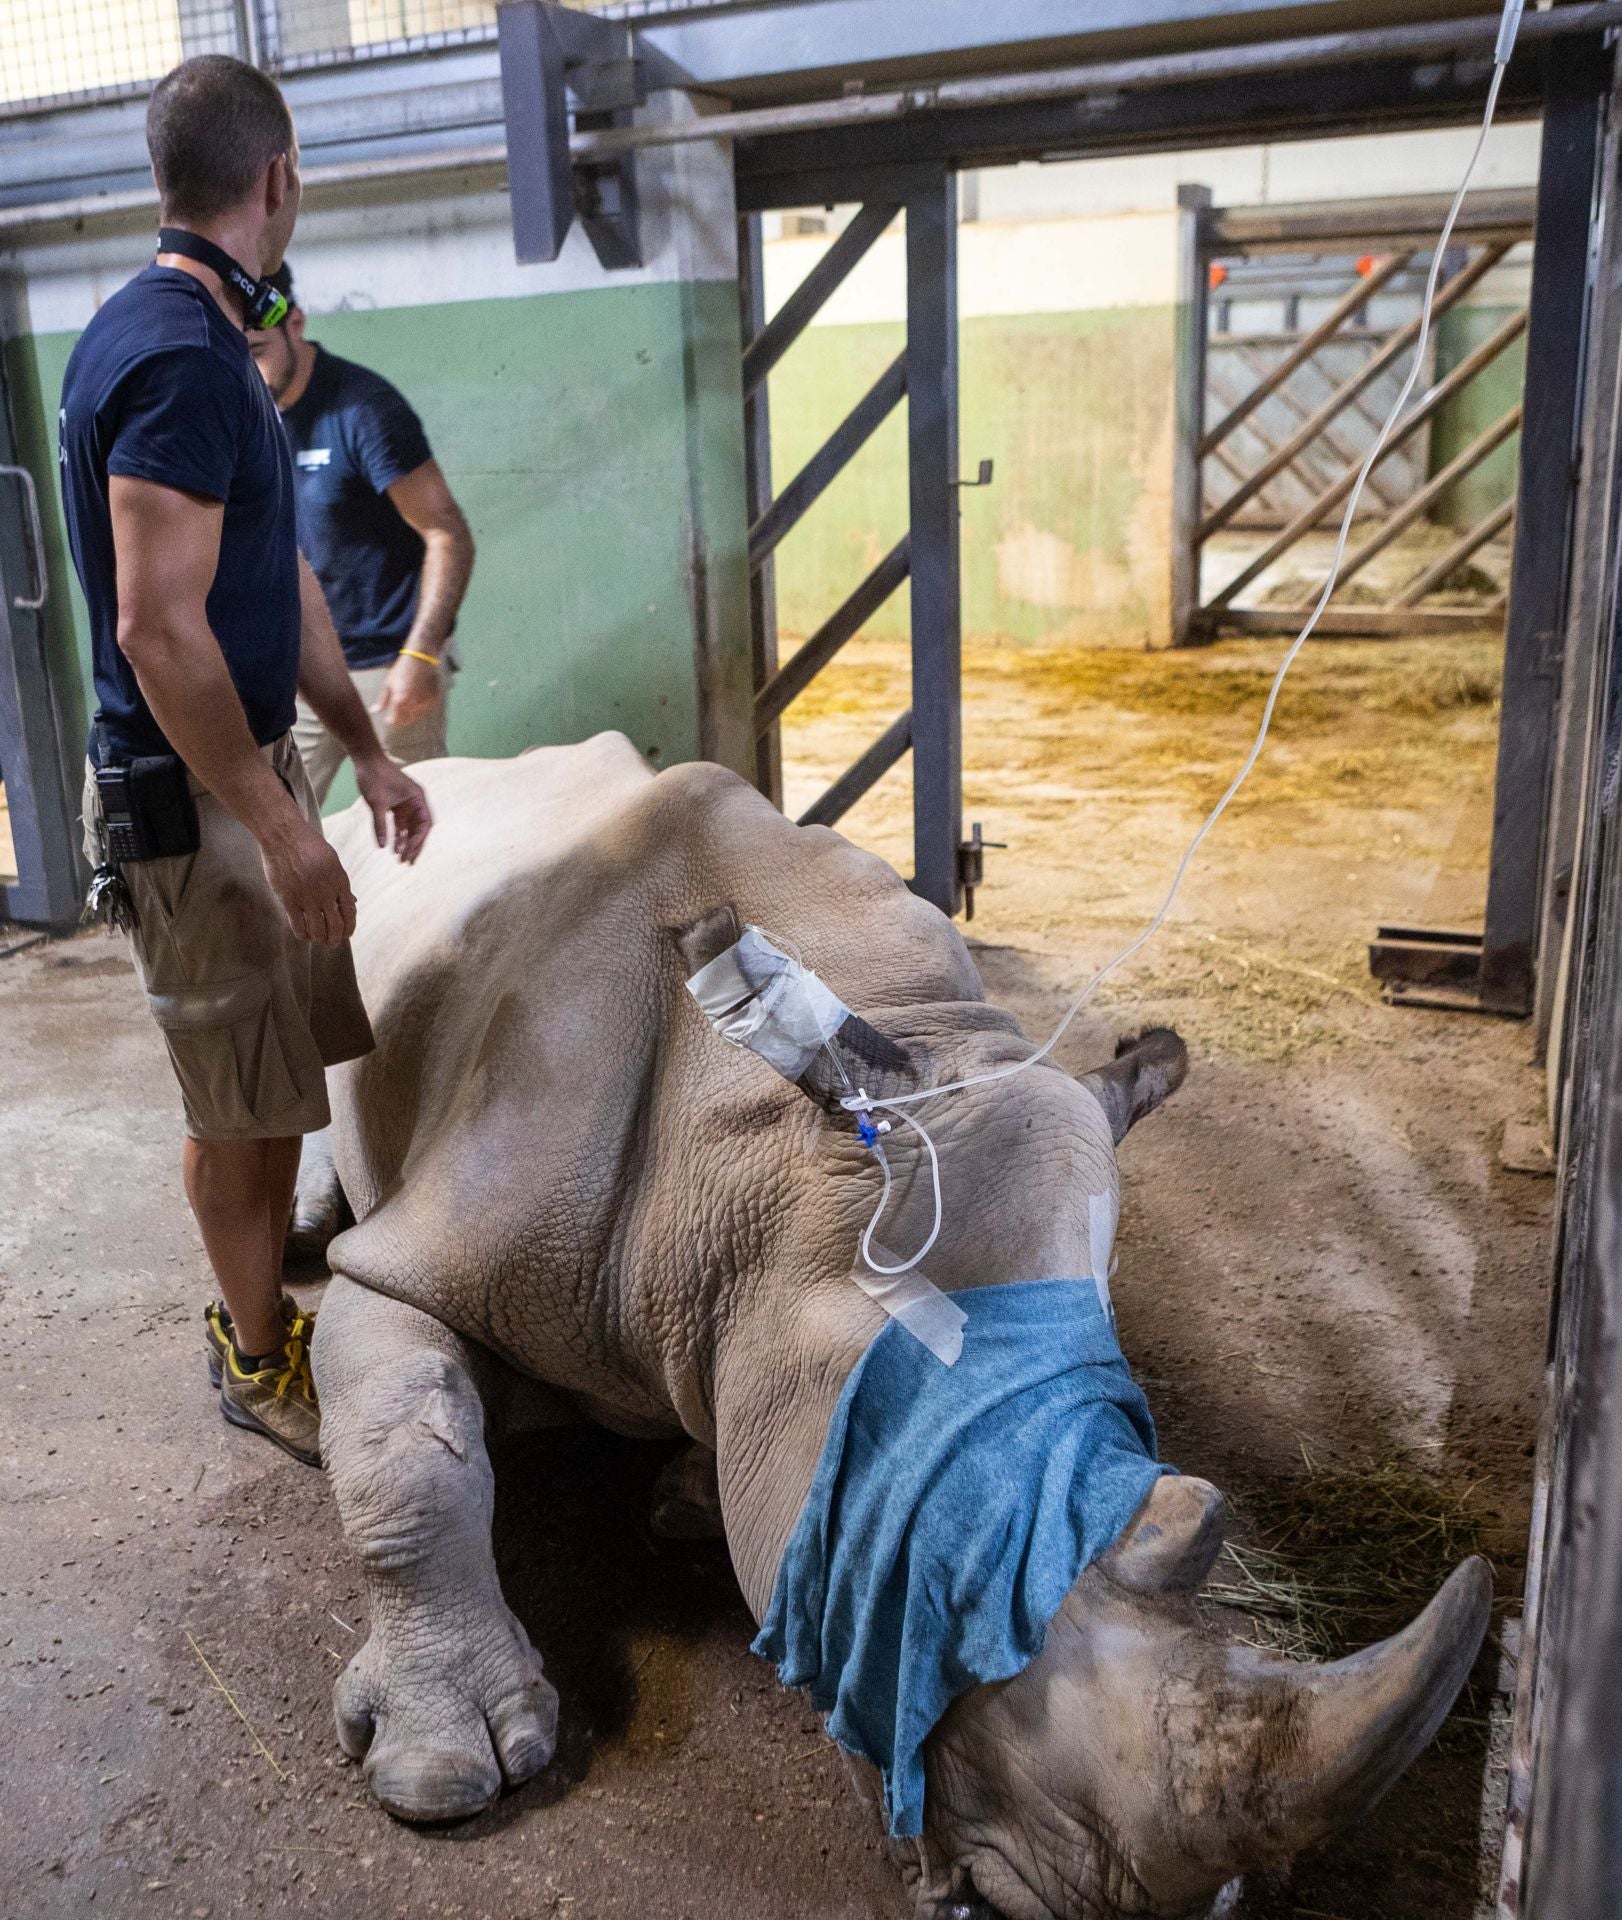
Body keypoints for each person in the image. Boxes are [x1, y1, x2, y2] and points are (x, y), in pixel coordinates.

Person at [58, 54, 433, 1466]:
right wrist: (277, 824)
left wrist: (362, 753)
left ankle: (271, 1271)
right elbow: (160, 630)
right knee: (234, 1100)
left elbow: (271, 584)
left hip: (248, 764)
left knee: (278, 1082)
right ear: (275, 176)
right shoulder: (169, 355)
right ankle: (252, 1354)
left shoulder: (221, 345)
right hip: (191, 794)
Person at [247, 262, 475, 802]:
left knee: (415, 831)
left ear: (295, 324)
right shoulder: (246, 414)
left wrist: (420, 656)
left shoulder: (365, 409)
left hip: (388, 665)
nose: (247, 373)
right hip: (301, 668)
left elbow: (448, 535)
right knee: (276, 827)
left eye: (256, 351)